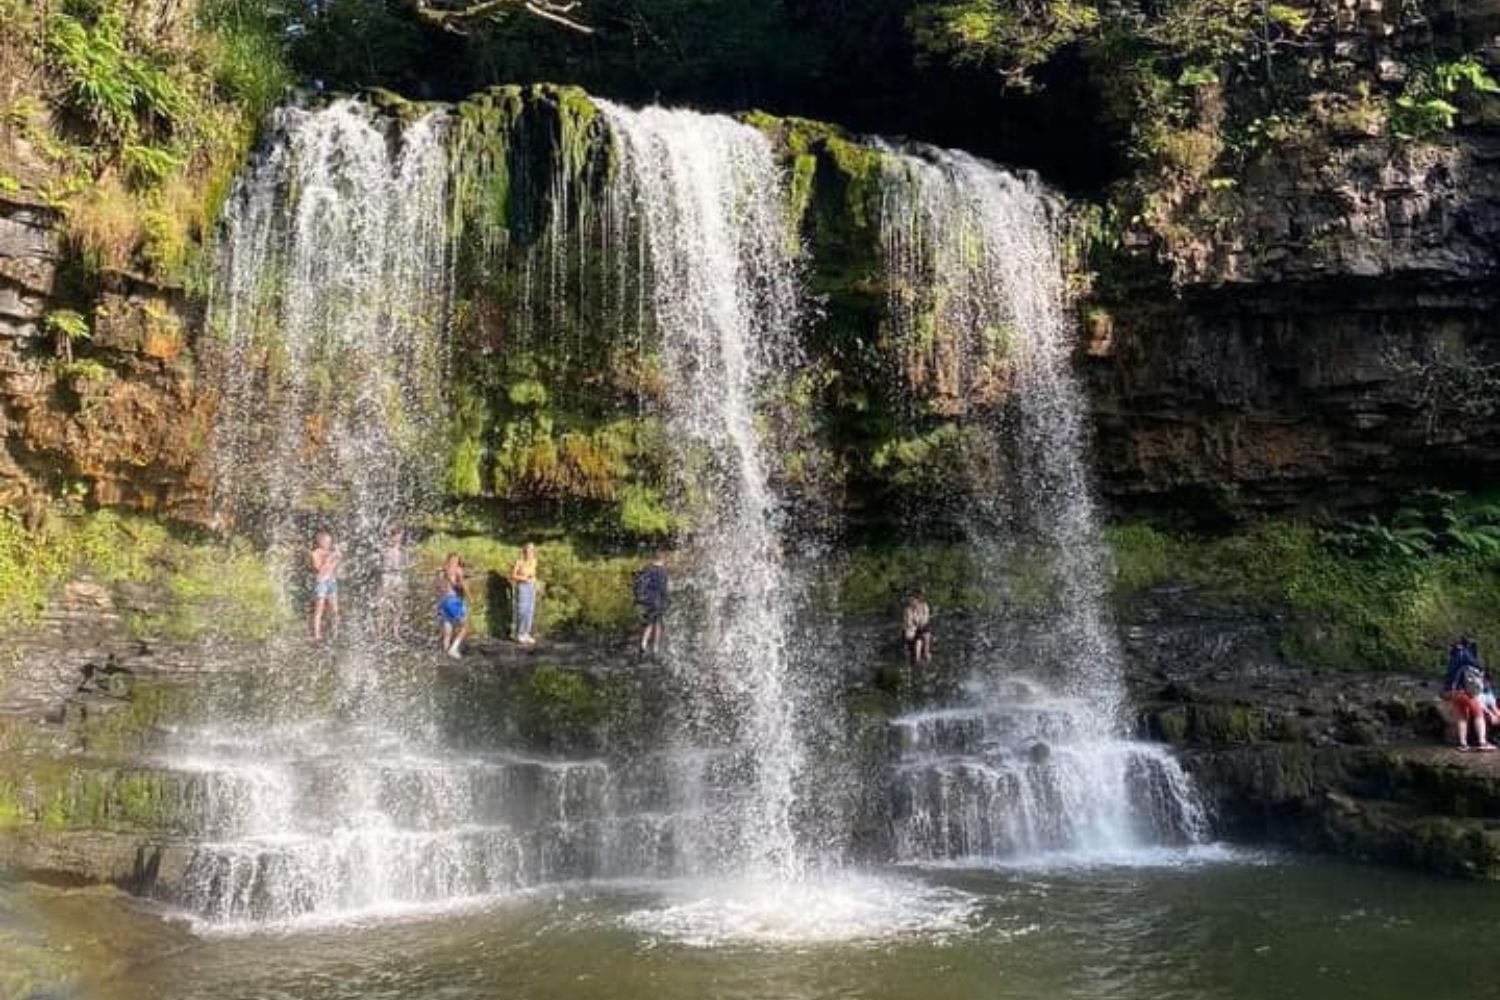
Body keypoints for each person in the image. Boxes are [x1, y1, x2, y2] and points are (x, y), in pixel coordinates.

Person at [1443, 637, 1493, 751]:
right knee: (1478, 714)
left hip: (1453, 692)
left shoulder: (1453, 656)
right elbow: (1477, 666)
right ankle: (1482, 742)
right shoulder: (1465, 654)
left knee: (1462, 717)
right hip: (1466, 691)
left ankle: (1463, 744)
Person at [376, 527, 410, 641]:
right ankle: (379, 634)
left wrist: (402, 568)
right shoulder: (384, 549)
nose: (399, 538)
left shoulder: (403, 550)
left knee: (399, 606)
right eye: (397, 535)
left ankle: (395, 633)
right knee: (383, 606)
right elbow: (379, 565)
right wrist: (388, 567)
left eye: (400, 535)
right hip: (387, 577)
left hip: (398, 578)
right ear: (391, 536)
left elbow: (406, 565)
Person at [633, 551, 669, 657]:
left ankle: (643, 644)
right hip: (658, 601)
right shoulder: (662, 571)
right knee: (658, 624)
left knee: (648, 622)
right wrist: (666, 600)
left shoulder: (647, 569)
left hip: (647, 601)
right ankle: (655, 647)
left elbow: (639, 581)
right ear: (662, 560)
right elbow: (663, 589)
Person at [309, 531, 341, 643]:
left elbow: (332, 568)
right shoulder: (315, 554)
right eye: (327, 542)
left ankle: (335, 633)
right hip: (321, 582)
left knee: (335, 611)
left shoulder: (330, 553)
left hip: (331, 582)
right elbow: (320, 569)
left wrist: (337, 559)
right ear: (320, 542)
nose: (329, 544)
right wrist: (329, 559)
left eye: (330, 542)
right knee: (319, 610)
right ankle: (317, 635)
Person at [437, 552, 468, 659]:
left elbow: (439, 586)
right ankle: (453, 649)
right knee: (464, 627)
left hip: (443, 600)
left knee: (448, 629)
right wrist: (468, 594)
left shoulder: (442, 570)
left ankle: (446, 654)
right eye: (456, 560)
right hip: (453, 600)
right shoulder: (457, 570)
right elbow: (460, 585)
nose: (456, 562)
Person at [510, 542, 539, 644]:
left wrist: (536, 585)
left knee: (530, 610)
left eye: (531, 551)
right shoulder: (519, 562)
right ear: (524, 551)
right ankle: (520, 633)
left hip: (531, 586)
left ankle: (527, 633)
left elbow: (534, 575)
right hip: (522, 586)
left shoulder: (534, 561)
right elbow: (512, 576)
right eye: (528, 551)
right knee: (522, 610)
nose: (530, 553)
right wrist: (523, 578)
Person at [903, 591, 932, 667]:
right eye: (909, 600)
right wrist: (913, 625)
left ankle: (926, 653)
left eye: (912, 600)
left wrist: (920, 622)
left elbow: (926, 618)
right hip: (914, 629)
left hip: (924, 627)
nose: (911, 602)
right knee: (917, 639)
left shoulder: (924, 606)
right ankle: (917, 659)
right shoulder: (908, 609)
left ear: (917, 600)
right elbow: (908, 621)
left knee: (925, 634)